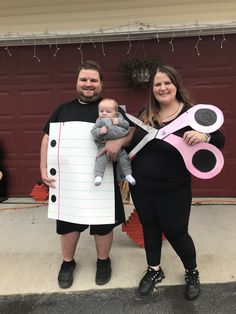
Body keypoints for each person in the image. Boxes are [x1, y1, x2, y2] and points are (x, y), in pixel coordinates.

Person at [128, 64, 225, 300]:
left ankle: (192, 272)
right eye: (157, 84)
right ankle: (154, 270)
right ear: (152, 90)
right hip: (141, 187)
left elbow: (220, 139)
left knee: (176, 232)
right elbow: (134, 143)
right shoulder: (145, 113)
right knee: (150, 229)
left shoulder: (192, 114)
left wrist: (205, 135)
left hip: (174, 189)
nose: (162, 88)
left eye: (167, 83)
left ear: (176, 86)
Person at [40, 60, 135, 289]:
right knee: (68, 225)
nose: (88, 84)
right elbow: (46, 138)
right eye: (84, 79)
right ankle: (67, 263)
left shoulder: (111, 108)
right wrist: (43, 168)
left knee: (103, 225)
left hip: (102, 177)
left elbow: (131, 131)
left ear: (101, 84)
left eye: (93, 80)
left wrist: (119, 142)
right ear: (77, 82)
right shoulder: (62, 110)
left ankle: (103, 261)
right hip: (69, 180)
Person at [91, 98, 136, 186]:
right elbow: (93, 131)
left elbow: (127, 126)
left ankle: (128, 174)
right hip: (103, 146)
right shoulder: (99, 121)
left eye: (108, 111)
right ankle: (98, 176)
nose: (104, 113)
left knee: (124, 159)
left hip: (120, 146)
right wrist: (99, 131)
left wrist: (119, 122)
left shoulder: (119, 119)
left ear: (115, 113)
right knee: (100, 160)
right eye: (101, 111)